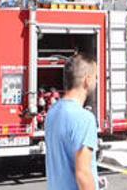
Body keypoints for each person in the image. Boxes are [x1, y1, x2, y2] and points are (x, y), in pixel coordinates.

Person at [45, 55, 100, 190]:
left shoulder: (52, 112)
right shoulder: (85, 118)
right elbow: (83, 174)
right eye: (95, 77)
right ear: (87, 80)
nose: (97, 81)